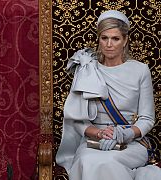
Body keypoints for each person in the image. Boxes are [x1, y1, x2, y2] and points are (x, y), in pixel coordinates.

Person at [55, 10, 159, 180]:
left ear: (125, 40)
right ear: (99, 39)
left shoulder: (140, 70)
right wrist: (100, 133)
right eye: (104, 38)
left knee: (108, 162)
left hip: (130, 143)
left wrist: (125, 134)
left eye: (115, 38)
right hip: (93, 143)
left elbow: (147, 118)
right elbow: (78, 121)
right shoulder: (87, 69)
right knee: (89, 161)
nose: (109, 44)